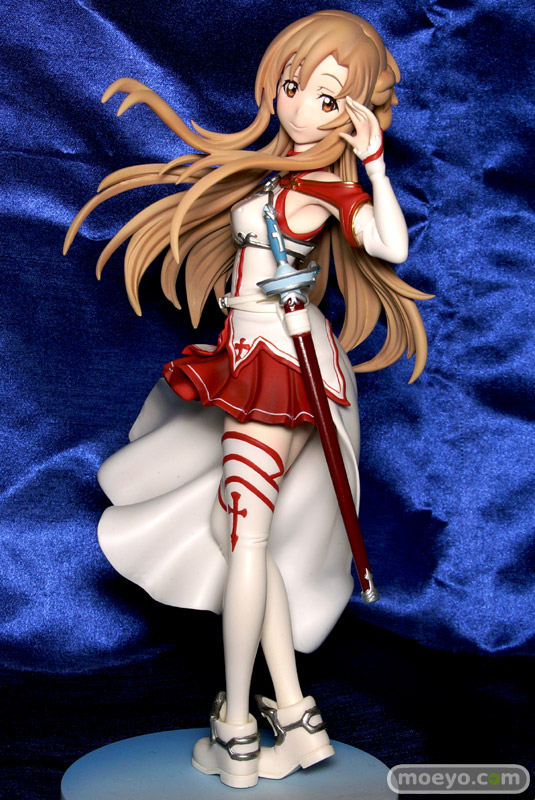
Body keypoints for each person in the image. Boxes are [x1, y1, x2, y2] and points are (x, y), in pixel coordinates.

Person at [65, 9, 431, 789]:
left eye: (326, 99)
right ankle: (295, 718)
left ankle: (235, 727)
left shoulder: (323, 189)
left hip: (279, 371)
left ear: (353, 112)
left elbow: (390, 246)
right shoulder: (277, 179)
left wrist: (374, 166)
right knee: (239, 540)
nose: (300, 108)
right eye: (294, 86)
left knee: (245, 542)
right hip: (247, 356)